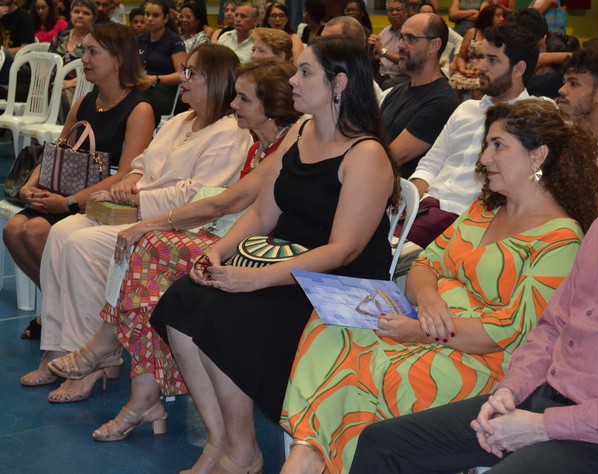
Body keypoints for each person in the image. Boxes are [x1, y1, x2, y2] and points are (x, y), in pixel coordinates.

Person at [350, 84, 598, 474]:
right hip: (546, 398)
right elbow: (553, 326)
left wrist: (541, 427)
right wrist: (510, 391)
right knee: (382, 443)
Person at [282, 98, 598, 474]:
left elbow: (508, 331)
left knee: (372, 366)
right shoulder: (485, 209)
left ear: (538, 156)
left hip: (480, 360)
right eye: (486, 145)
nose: (484, 158)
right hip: (424, 322)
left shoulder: (561, 241)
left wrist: (423, 331)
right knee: (330, 326)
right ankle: (310, 452)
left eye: (498, 146)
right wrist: (429, 297)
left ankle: (313, 457)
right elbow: (426, 263)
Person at [149, 35, 399, 474]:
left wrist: (256, 279)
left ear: (339, 83)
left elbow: (344, 250)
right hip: (287, 266)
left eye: (305, 72)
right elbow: (264, 212)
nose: (293, 81)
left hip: (339, 287)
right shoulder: (300, 132)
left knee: (226, 318)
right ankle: (222, 439)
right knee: (182, 301)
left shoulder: (366, 154)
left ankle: (243, 453)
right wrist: (217, 252)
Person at [46, 58, 299, 445]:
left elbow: (225, 203)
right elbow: (211, 197)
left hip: (256, 247)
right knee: (144, 279)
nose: (234, 105)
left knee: (146, 250)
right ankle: (133, 387)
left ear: (270, 105)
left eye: (244, 99)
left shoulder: (282, 141)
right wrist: (140, 197)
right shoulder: (255, 143)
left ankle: (109, 354)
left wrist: (151, 221)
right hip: (227, 233)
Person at [20, 43, 253, 403]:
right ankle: (58, 346)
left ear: (217, 80)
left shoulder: (230, 133)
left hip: (175, 224)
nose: (183, 78)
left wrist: (138, 197)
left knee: (83, 245)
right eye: (185, 70)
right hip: (138, 208)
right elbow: (143, 161)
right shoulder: (181, 120)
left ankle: (93, 359)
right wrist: (130, 181)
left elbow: (199, 197)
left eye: (192, 73)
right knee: (62, 233)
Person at [5, 22, 155, 341]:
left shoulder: (139, 109)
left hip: (101, 201)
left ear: (118, 60)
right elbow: (56, 152)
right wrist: (30, 185)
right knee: (12, 231)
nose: (83, 58)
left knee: (34, 231)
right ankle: (63, 310)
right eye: (84, 50)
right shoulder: (84, 103)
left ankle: (63, 315)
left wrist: (69, 203)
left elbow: (126, 175)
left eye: (92, 52)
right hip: (67, 191)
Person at [406, 24, 541, 249]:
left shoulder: (535, 117)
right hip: (426, 207)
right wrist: (410, 203)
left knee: (377, 250)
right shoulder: (465, 109)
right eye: (483, 58)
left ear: (518, 69)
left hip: (469, 219)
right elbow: (430, 164)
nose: (481, 67)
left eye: (492, 60)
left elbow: (540, 177)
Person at [379, 13, 460, 179]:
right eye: (401, 37)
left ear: (434, 45)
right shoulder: (396, 92)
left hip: (400, 189)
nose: (400, 45)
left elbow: (390, 158)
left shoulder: (441, 102)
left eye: (410, 38)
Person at [556, 48, 598, 212]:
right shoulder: (559, 136)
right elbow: (534, 180)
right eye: (564, 82)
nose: (562, 90)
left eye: (573, 84)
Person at [138, 0, 187, 116]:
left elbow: (183, 74)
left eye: (155, 15)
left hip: (163, 92)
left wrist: (156, 79)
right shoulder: (139, 40)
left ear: (165, 19)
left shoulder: (174, 41)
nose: (150, 19)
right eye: (147, 14)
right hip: (141, 87)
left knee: (135, 102)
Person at [449, 4, 505, 100]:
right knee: (453, 83)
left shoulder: (501, 35)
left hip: (488, 73)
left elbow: (500, 59)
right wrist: (463, 70)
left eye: (502, 15)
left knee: (478, 89)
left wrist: (482, 71)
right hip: (468, 71)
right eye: (498, 16)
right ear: (488, 18)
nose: (502, 19)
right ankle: (456, 108)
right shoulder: (472, 32)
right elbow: (461, 56)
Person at [368, 0, 408, 88]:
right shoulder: (385, 32)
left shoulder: (410, 32)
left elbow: (403, 60)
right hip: (383, 75)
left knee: (387, 84)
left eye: (398, 9)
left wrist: (382, 50)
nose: (394, 13)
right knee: (365, 79)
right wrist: (370, 48)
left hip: (403, 76)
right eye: (391, 10)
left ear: (406, 12)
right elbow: (375, 57)